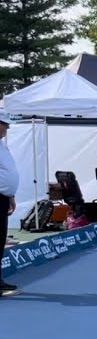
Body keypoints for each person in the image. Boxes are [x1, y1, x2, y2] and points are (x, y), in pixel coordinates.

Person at [0, 113, 20, 296]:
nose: (7, 129)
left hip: (4, 197)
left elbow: (8, 172)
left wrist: (10, 195)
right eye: (4, 125)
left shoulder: (3, 146)